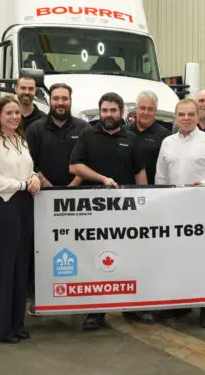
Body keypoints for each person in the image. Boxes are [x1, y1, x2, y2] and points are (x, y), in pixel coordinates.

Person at [69, 92, 147, 330]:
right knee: (97, 260)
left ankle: (131, 308)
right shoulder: (87, 135)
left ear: (121, 113)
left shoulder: (131, 138)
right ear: (100, 112)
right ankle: (96, 311)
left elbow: (139, 174)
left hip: (126, 211)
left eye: (113, 110)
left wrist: (146, 203)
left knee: (128, 258)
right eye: (105, 110)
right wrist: (102, 179)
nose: (109, 115)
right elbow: (75, 165)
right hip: (94, 211)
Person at [156, 99, 205, 328]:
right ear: (175, 117)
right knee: (178, 259)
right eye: (182, 114)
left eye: (191, 114)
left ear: (198, 116)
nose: (187, 118)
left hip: (204, 212)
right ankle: (180, 304)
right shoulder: (167, 143)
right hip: (175, 212)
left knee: (204, 260)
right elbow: (160, 177)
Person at [0, 96, 41, 343]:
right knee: (2, 271)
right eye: (9, 113)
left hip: (24, 206)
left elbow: (27, 168)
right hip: (2, 209)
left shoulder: (20, 141)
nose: (14, 117)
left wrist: (33, 177)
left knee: (20, 269)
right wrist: (23, 183)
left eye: (17, 113)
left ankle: (16, 324)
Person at [24, 83, 86, 309]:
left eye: (65, 98)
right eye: (56, 98)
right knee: (39, 245)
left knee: (74, 245)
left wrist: (70, 188)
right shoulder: (35, 129)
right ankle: (36, 292)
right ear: (50, 101)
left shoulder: (83, 128)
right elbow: (29, 162)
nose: (60, 103)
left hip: (75, 200)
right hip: (41, 198)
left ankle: (73, 290)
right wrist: (49, 189)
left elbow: (86, 162)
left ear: (71, 100)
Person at [129, 90, 170, 184]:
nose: (146, 112)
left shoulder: (164, 136)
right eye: (142, 108)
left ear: (155, 111)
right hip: (125, 191)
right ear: (136, 110)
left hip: (153, 191)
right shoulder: (124, 131)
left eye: (150, 109)